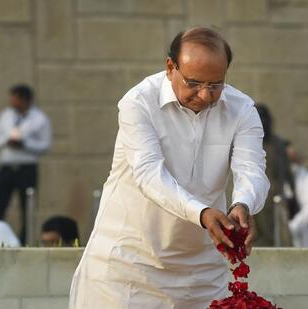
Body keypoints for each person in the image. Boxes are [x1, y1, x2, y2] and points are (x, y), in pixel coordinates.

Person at [69, 27, 269, 309]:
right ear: (170, 67)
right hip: (128, 265)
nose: (204, 95)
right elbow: (149, 174)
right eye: (194, 83)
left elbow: (252, 168)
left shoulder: (242, 108)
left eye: (216, 85)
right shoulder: (138, 102)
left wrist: (244, 204)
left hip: (202, 271)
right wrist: (201, 213)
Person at [0, 85, 52, 243]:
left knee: (27, 208)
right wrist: (7, 140)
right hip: (7, 167)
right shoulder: (6, 115)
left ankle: (25, 241)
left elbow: (45, 145)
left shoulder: (40, 118)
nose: (13, 103)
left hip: (27, 168)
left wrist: (25, 144)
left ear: (25, 100)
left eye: (16, 100)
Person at [253, 104, 297, 247]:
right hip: (253, 198)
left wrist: (293, 197)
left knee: (276, 237)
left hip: (275, 198)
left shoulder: (277, 143)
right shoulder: (249, 143)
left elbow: (286, 173)